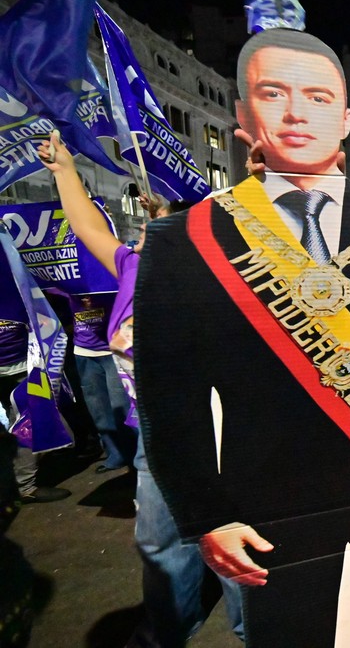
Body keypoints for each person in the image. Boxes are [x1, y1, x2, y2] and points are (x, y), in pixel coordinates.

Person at [136, 28, 350, 647]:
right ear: (242, 113)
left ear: (346, 118)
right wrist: (204, 513)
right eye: (273, 92)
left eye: (317, 97)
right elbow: (167, 398)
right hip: (266, 500)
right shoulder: (187, 241)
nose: (295, 113)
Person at [37, 136, 243, 647]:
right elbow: (86, 226)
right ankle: (166, 629)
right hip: (155, 441)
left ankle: (258, 630)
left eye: (173, 222)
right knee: (159, 545)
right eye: (154, 221)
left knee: (239, 554)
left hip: (225, 441)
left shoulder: (222, 281)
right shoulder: (131, 267)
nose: (153, 227)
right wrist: (64, 168)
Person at [0, 318, 70, 504]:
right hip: (7, 374)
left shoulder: (15, 293)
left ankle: (19, 483)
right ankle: (24, 486)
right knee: (24, 424)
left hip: (26, 366)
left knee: (24, 421)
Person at [67, 293, 135, 473]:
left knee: (121, 406)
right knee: (98, 409)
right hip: (84, 351)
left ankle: (134, 457)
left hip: (111, 349)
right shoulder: (68, 281)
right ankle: (115, 455)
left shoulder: (104, 280)